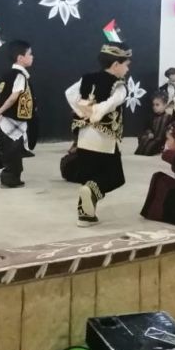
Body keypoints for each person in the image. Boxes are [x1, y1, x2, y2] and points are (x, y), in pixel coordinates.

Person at [65, 42, 131, 227]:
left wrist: (82, 110)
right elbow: (111, 103)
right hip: (104, 137)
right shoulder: (119, 85)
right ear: (116, 64)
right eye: (126, 65)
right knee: (114, 176)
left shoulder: (87, 78)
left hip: (84, 136)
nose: (127, 69)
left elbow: (69, 93)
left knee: (89, 176)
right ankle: (91, 194)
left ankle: (85, 217)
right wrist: (96, 112)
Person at [0, 40, 35, 188]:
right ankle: (10, 178)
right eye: (30, 54)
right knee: (13, 151)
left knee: (8, 147)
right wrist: (0, 111)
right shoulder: (20, 76)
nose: (32, 57)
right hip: (12, 119)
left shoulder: (6, 75)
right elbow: (13, 98)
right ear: (20, 58)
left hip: (5, 119)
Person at [135, 90, 171, 156]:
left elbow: (170, 129)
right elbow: (147, 127)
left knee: (152, 146)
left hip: (161, 140)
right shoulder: (151, 117)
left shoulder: (168, 117)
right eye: (153, 105)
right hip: (152, 137)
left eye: (157, 105)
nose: (154, 107)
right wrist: (149, 133)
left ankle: (157, 149)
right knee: (143, 138)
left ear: (165, 105)